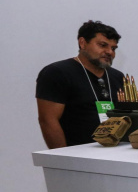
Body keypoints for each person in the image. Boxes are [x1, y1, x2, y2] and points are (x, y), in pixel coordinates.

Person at [37, 20, 126, 148]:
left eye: (113, 48)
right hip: (76, 156)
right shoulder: (57, 73)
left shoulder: (118, 77)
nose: (110, 52)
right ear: (83, 43)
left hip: (115, 154)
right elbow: (48, 121)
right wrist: (64, 158)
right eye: (103, 45)